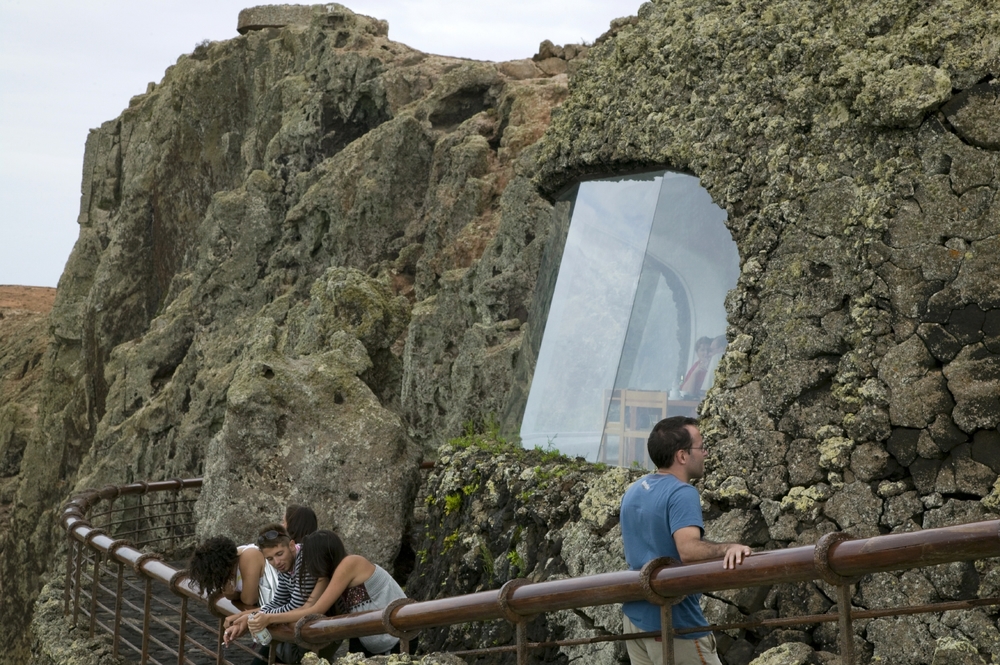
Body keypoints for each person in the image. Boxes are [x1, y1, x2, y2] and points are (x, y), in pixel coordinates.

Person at [620, 416, 751, 665]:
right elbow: (688, 550)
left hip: (635, 619)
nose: (705, 453)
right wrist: (729, 548)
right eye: (701, 447)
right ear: (682, 456)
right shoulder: (682, 492)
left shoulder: (634, 490)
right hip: (673, 620)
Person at [248, 530, 408, 657]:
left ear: (321, 555)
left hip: (397, 636)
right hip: (369, 635)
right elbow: (308, 607)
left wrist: (269, 618)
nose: (307, 563)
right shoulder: (330, 574)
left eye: (309, 557)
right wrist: (255, 616)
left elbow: (315, 610)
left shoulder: (350, 564)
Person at [223, 524, 319, 664]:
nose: (276, 562)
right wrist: (247, 616)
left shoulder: (304, 561)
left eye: (279, 554)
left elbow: (295, 605)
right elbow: (278, 601)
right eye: (270, 559)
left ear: (291, 545)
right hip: (303, 629)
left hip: (325, 628)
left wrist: (258, 617)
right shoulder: (286, 567)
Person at [188, 536, 279, 607]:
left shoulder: (248, 556)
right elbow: (230, 595)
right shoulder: (230, 570)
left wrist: (236, 593)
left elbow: (250, 600)